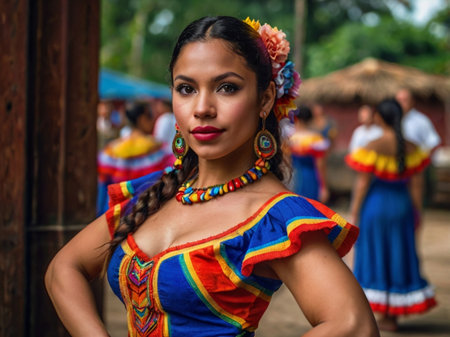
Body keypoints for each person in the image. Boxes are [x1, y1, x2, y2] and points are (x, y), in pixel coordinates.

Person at [45, 16, 378, 336]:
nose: (202, 107)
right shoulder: (152, 193)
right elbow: (64, 268)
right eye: (186, 89)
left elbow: (353, 325)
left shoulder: (274, 217)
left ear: (264, 99)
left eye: (227, 87)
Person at [346, 98, 437, 332]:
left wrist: (354, 212)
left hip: (375, 208)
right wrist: (417, 212)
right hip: (402, 207)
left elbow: (362, 184)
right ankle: (392, 316)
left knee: (375, 253)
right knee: (399, 253)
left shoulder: (372, 146)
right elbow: (417, 186)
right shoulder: (412, 148)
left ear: (378, 117)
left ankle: (378, 313)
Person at [96, 101, 174, 215]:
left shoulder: (110, 152)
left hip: (117, 212)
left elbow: (103, 191)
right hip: (148, 211)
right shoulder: (159, 150)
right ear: (142, 119)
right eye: (150, 116)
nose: (153, 121)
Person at [395, 88, 441, 222]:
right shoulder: (391, 120)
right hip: (395, 170)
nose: (401, 103)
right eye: (399, 100)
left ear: (412, 102)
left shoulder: (421, 121)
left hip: (415, 170)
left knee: (415, 206)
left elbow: (433, 143)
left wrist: (421, 162)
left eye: (404, 100)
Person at [287, 105, 330, 202]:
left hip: (293, 177)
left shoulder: (290, 138)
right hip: (311, 178)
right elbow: (320, 164)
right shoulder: (316, 139)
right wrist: (323, 187)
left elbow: (286, 160)